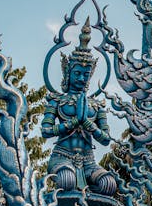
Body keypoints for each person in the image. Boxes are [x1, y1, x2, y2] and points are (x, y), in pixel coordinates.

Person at [42, 18, 116, 196]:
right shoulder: (57, 100)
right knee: (67, 180)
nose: (82, 78)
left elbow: (106, 139)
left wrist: (89, 125)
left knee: (109, 184)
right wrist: (73, 122)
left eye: (85, 74)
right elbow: (46, 130)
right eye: (77, 73)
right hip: (62, 157)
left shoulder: (96, 105)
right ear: (68, 72)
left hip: (88, 161)